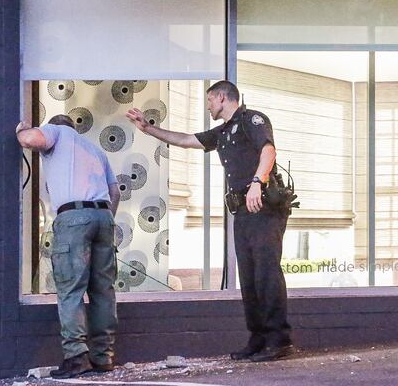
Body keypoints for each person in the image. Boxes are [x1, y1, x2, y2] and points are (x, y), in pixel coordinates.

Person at [126, 80, 293, 362]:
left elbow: (268, 150)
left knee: (266, 272)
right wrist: (148, 128)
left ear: (221, 97)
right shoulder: (224, 131)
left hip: (262, 206)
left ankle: (279, 340)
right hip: (242, 211)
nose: (207, 106)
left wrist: (257, 182)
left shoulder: (253, 119)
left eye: (209, 100)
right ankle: (259, 338)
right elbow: (185, 140)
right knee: (249, 277)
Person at [16, 114, 121, 378]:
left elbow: (31, 139)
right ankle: (103, 356)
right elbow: (115, 191)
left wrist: (22, 130)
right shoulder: (95, 149)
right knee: (103, 291)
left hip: (73, 218)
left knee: (70, 290)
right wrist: (105, 220)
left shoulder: (57, 133)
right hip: (104, 216)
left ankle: (76, 357)